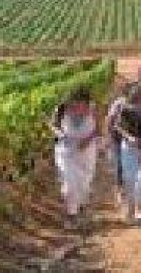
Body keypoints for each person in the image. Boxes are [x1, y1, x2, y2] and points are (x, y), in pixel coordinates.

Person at [50, 85, 99, 229]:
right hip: (66, 151)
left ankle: (81, 208)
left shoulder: (93, 109)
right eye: (75, 103)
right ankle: (71, 216)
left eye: (81, 103)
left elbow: (98, 128)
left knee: (84, 184)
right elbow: (52, 125)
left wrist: (88, 140)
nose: (78, 106)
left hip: (86, 152)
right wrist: (60, 134)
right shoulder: (61, 109)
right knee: (69, 184)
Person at [114, 83, 141, 226]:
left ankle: (140, 210)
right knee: (130, 178)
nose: (136, 108)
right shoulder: (126, 110)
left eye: (138, 104)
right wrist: (128, 137)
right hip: (129, 148)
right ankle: (131, 209)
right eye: (133, 104)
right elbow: (118, 126)